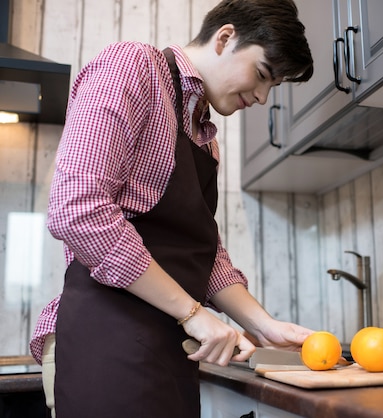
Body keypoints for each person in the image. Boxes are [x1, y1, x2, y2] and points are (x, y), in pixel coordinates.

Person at [29, 0, 314, 417]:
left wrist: (264, 325)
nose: (261, 96)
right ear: (225, 37)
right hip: (108, 339)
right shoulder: (133, 66)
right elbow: (78, 208)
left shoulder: (204, 137)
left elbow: (203, 253)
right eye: (262, 75)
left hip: (169, 343)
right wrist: (194, 314)